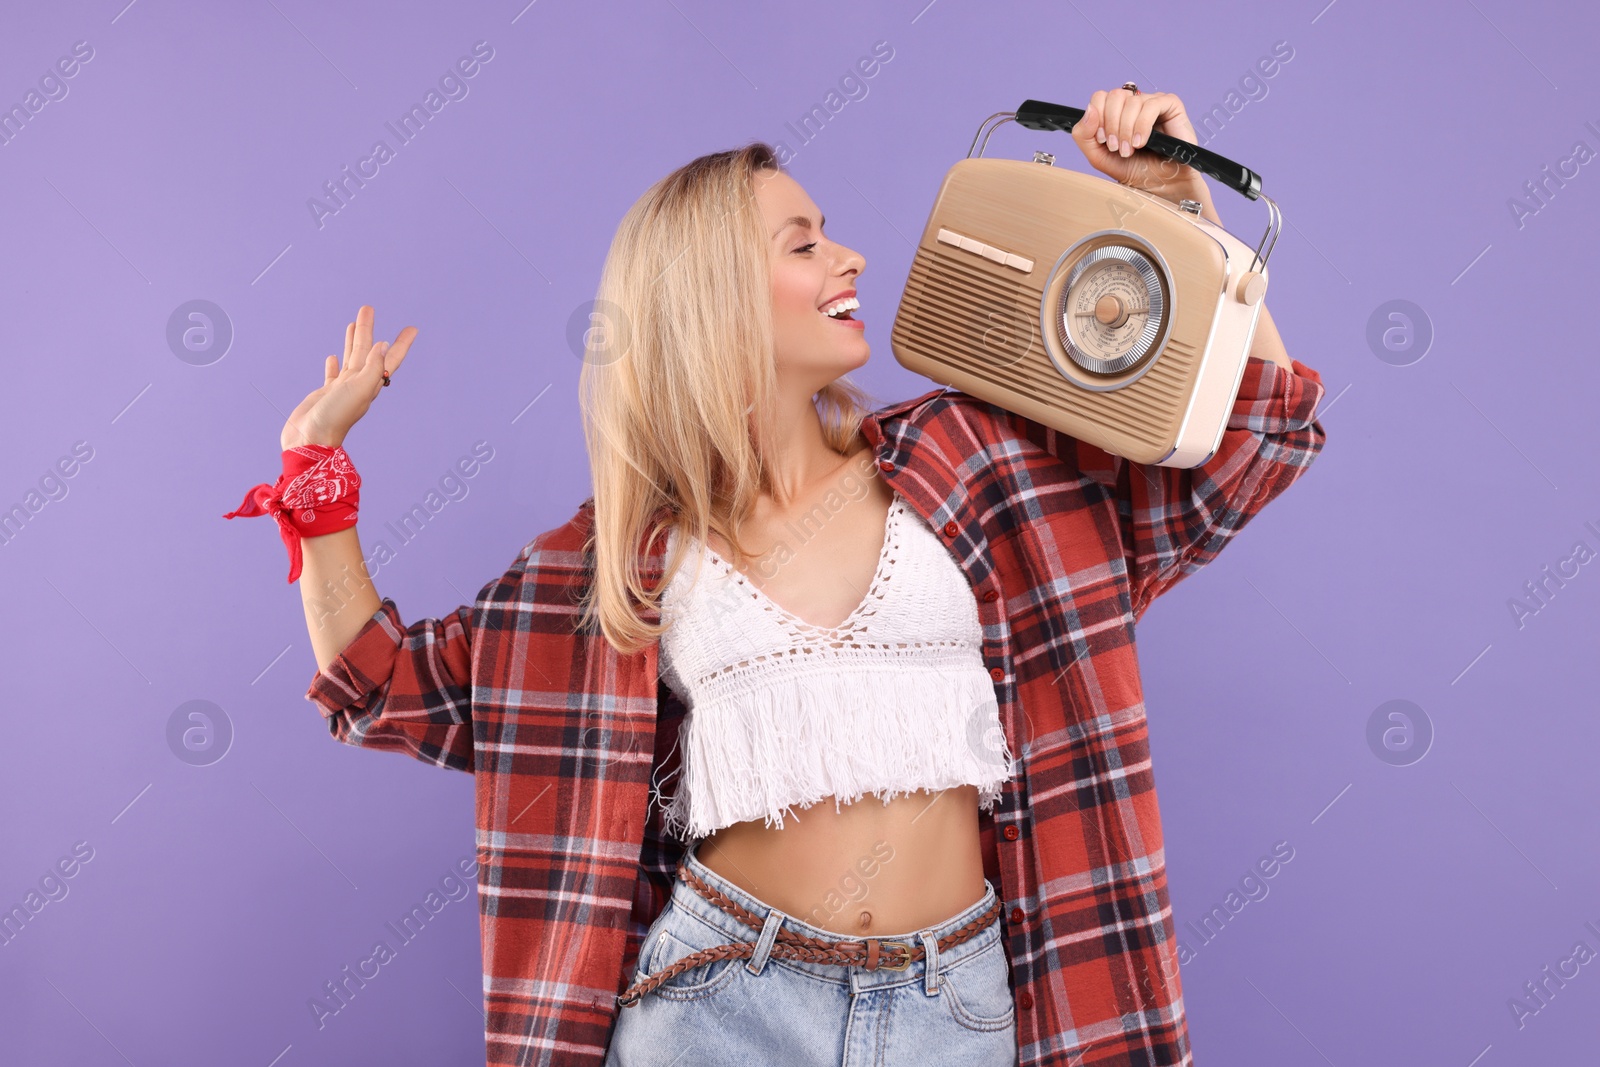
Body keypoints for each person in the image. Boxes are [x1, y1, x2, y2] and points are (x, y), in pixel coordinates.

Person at [236, 85, 1327, 1067]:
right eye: (803, 243)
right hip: (716, 1007)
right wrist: (314, 477)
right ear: (710, 295)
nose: (849, 258)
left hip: (965, 1007)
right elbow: (385, 684)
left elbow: (1252, 435)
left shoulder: (980, 457)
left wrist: (1181, 204)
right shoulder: (621, 558)